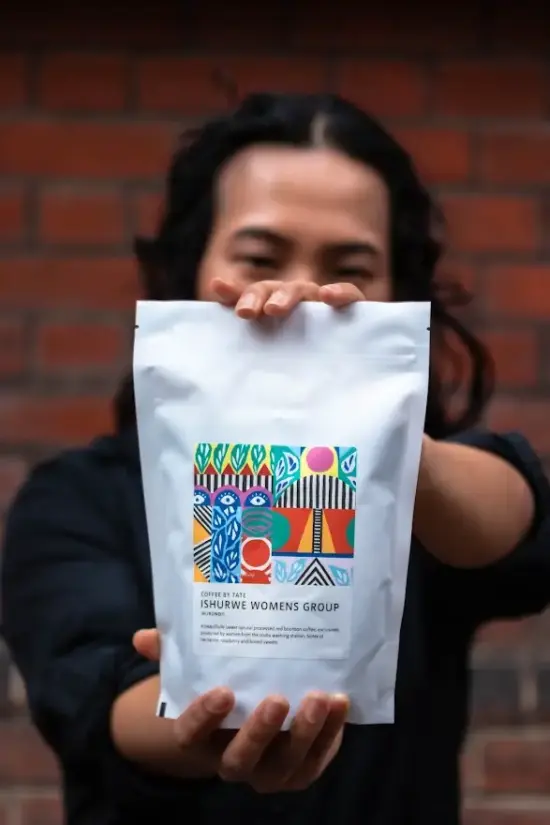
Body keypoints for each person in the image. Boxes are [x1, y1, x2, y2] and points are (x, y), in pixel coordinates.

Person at [2, 92, 550, 825]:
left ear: (399, 298)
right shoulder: (74, 498)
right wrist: (204, 723)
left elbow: (523, 530)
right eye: (259, 257)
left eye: (348, 266)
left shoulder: (420, 499)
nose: (297, 297)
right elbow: (91, 694)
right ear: (190, 273)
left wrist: (390, 449)